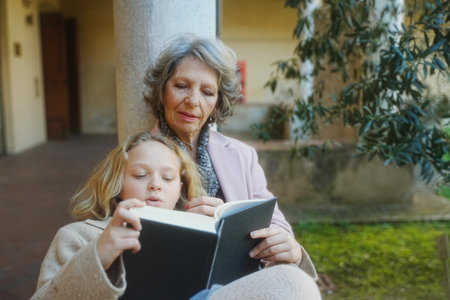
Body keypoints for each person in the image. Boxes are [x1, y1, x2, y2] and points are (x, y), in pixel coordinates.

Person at [32, 132, 321, 299]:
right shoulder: (78, 235)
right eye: (141, 174)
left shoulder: (205, 232)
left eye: (168, 178)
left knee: (292, 281)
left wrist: (291, 255)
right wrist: (100, 252)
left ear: (180, 187)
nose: (155, 184)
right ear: (117, 182)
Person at [144, 35, 318, 278]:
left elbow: (277, 226)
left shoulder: (242, 155)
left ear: (217, 102)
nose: (193, 101)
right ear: (162, 91)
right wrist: (183, 226)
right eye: (181, 86)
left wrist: (290, 248)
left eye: (207, 92)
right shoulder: (135, 156)